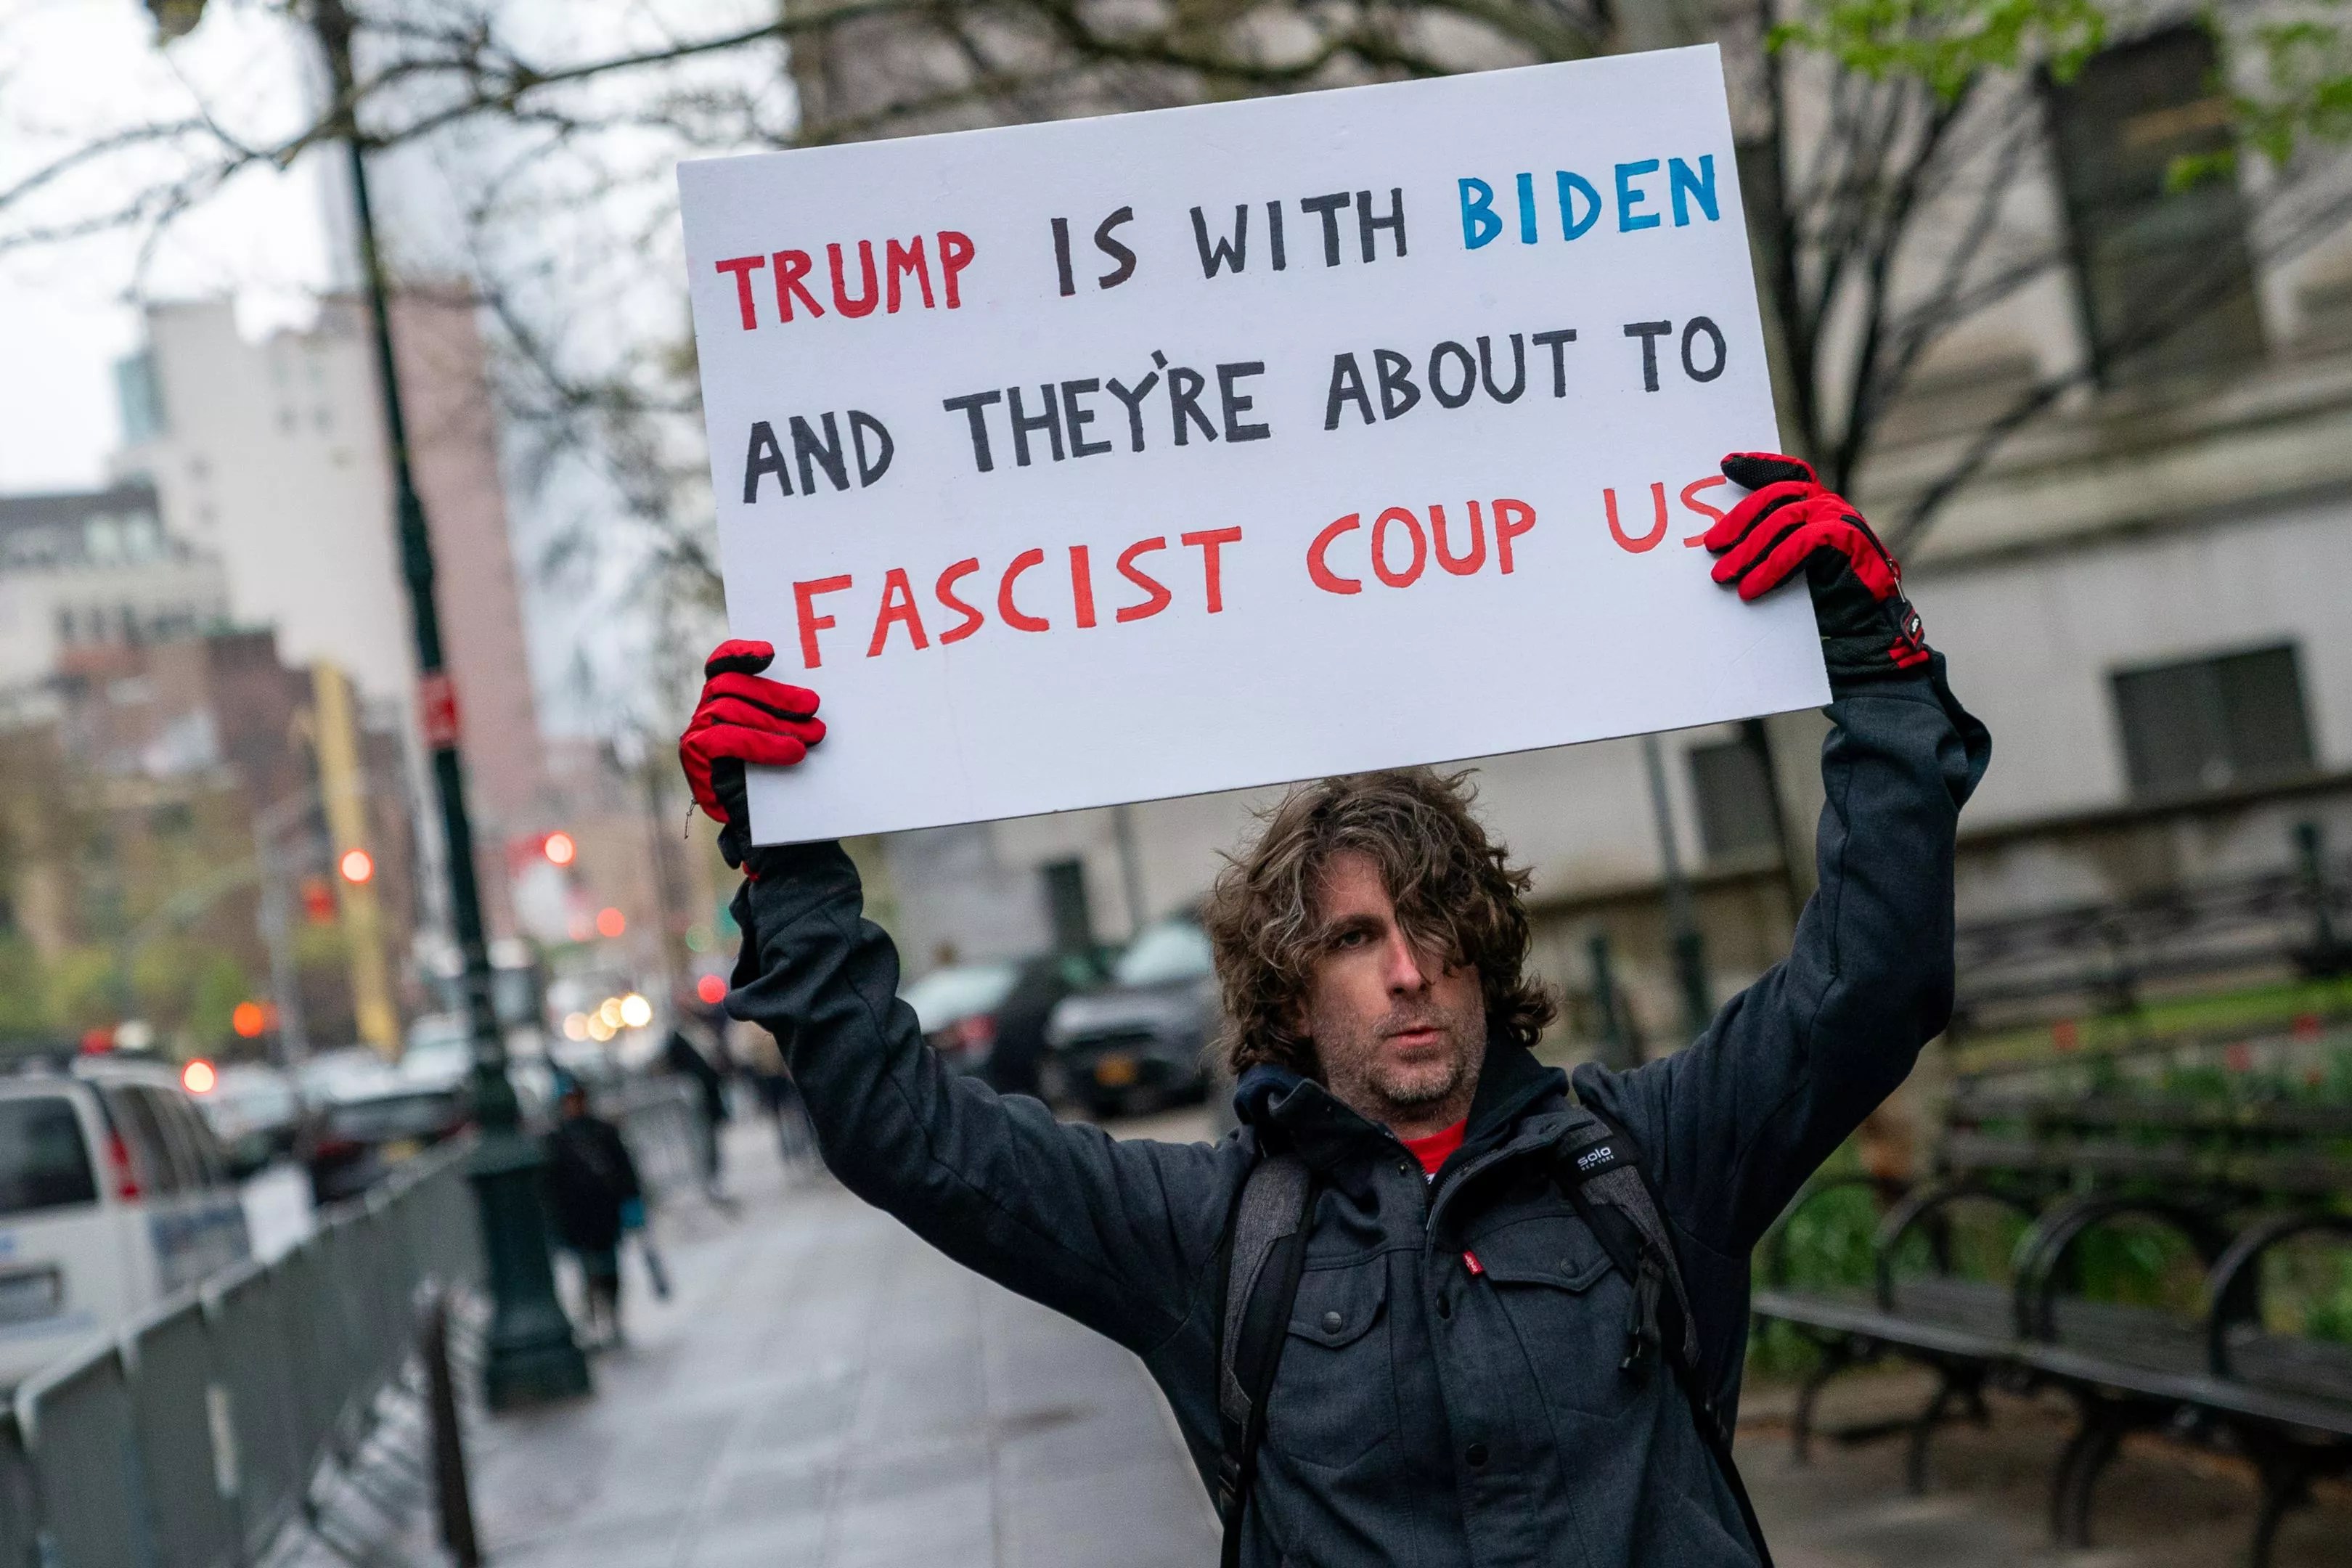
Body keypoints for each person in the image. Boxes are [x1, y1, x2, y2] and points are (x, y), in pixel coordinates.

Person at [676, 454, 1991, 1567]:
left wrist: (1878, 671)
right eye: (1358, 940)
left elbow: (1872, 983)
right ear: (1292, 990)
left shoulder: (1651, 1159)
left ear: (1486, 954)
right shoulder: (1207, 1239)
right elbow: (911, 1137)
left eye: (1436, 931)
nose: (1409, 971)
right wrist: (788, 864)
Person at [542, 1076, 644, 1347]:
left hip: (605, 1216)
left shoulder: (603, 1132)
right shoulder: (556, 1140)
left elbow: (625, 1172)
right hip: (577, 1220)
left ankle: (611, 1317)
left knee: (609, 1269)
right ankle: (596, 1322)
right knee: (588, 1273)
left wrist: (633, 1206)